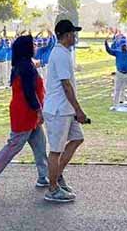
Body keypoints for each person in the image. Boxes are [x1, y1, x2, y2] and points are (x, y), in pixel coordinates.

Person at [0, 35, 48, 191]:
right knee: (14, 146)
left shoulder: (23, 64)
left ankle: (44, 176)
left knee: (40, 145)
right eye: (34, 44)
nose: (36, 46)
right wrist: (39, 111)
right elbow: (29, 92)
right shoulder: (26, 67)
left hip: (26, 111)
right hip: (25, 112)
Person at [43, 19, 87, 203]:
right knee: (55, 150)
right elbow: (66, 85)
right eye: (73, 33)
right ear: (67, 35)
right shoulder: (60, 54)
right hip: (58, 111)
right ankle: (52, 188)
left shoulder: (64, 53)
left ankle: (57, 176)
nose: (75, 37)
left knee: (77, 138)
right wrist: (79, 110)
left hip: (64, 109)